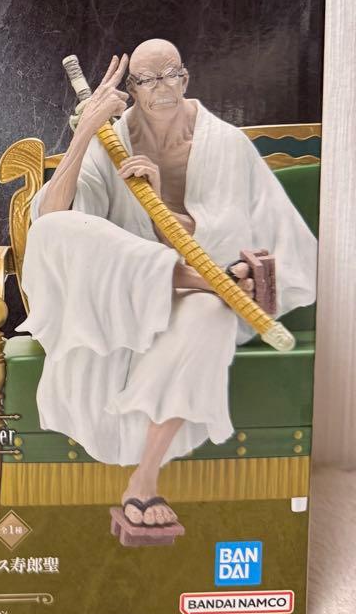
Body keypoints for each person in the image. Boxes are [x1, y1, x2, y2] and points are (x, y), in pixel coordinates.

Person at [19, 39, 317, 536]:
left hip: (206, 295)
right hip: (131, 293)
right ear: (131, 89)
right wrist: (87, 129)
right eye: (147, 79)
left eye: (170, 74)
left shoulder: (226, 145)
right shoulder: (112, 140)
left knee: (209, 315)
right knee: (58, 229)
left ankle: (144, 479)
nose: (162, 88)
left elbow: (230, 242)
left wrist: (159, 205)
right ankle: (200, 283)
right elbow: (51, 218)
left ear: (186, 77)